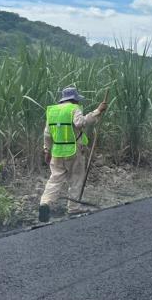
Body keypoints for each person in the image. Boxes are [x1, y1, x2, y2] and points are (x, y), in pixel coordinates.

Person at [39, 87, 107, 223]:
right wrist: (98, 111)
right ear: (74, 99)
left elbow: (47, 134)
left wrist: (47, 150)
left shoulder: (52, 111)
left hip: (57, 152)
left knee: (55, 180)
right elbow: (81, 123)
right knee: (75, 179)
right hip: (73, 151)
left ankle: (45, 203)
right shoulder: (74, 109)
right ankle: (73, 208)